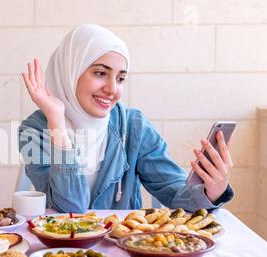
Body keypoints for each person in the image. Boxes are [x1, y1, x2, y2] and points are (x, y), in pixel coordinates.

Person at [18, 24, 234, 213]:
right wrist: (57, 122)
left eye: (120, 79)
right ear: (71, 70)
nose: (112, 89)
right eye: (100, 73)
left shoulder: (133, 125)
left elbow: (174, 189)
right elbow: (71, 207)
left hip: (126, 251)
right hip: (63, 253)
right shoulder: (34, 131)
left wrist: (211, 191)